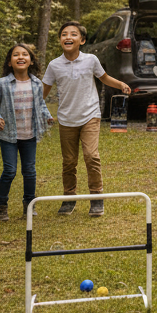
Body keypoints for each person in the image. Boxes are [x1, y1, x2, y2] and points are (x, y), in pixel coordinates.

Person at [42, 21, 130, 217]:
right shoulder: (54, 65)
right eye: (64, 34)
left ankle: (96, 197)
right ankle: (69, 198)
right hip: (66, 119)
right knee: (69, 161)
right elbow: (43, 91)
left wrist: (120, 84)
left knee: (91, 156)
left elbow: (104, 78)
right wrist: (34, 108)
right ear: (60, 40)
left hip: (90, 115)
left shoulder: (91, 60)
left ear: (81, 40)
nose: (68, 37)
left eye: (73, 34)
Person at [0, 44, 54, 221]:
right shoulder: (2, 83)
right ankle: (1, 206)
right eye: (16, 55)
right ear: (10, 62)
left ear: (31, 61)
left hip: (30, 135)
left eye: (25, 54)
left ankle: (29, 205)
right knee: (9, 171)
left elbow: (40, 104)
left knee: (30, 171)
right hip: (8, 135)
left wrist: (47, 116)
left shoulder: (36, 83)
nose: (21, 57)